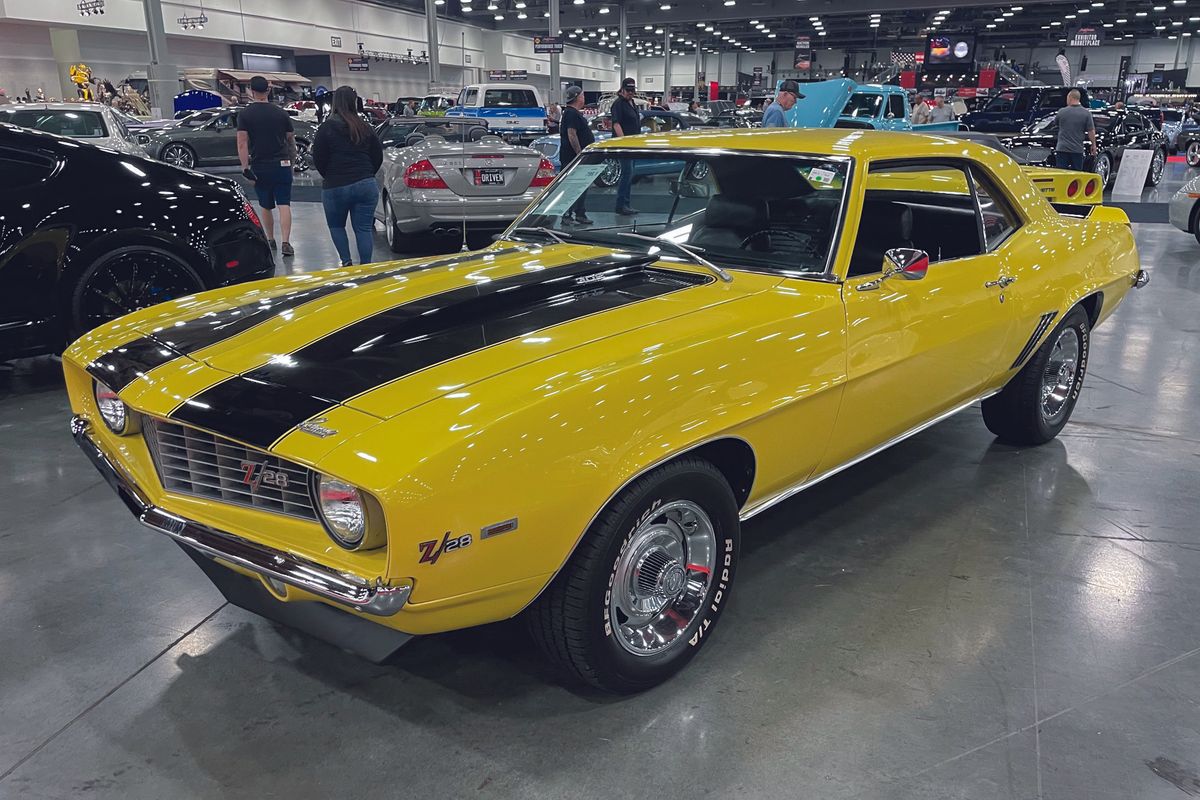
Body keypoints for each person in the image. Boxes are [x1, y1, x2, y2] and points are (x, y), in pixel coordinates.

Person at [312, 85, 383, 266]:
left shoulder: (326, 128)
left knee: (337, 226)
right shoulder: (365, 127)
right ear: (354, 102)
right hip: (365, 184)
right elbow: (377, 155)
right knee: (363, 229)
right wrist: (367, 174)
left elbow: (318, 158)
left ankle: (347, 262)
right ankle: (366, 266)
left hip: (335, 185)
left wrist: (329, 176)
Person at [237, 75, 297, 257]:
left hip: (260, 165)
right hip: (282, 163)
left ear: (251, 91)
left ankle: (270, 239)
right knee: (284, 203)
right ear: (268, 90)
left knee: (265, 204)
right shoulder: (281, 113)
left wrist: (245, 167)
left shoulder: (245, 114)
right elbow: (290, 139)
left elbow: (242, 142)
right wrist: (291, 162)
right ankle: (286, 242)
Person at [558, 85, 594, 226]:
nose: (584, 98)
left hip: (572, 155)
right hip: (572, 157)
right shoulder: (571, 114)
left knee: (580, 185)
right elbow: (571, 134)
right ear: (578, 97)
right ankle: (567, 214)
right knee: (572, 186)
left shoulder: (572, 113)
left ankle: (580, 212)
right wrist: (580, 153)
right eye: (583, 95)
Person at [611, 77, 641, 215]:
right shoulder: (618, 104)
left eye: (632, 90)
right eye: (628, 90)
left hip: (633, 145)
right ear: (622, 90)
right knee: (626, 173)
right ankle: (620, 205)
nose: (630, 93)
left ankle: (626, 204)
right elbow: (616, 124)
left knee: (629, 174)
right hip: (624, 146)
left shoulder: (632, 103)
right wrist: (624, 142)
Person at [1054, 88, 1098, 171]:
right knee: (1076, 174)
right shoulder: (1086, 113)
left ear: (1070, 98)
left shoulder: (1061, 112)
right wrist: (1093, 145)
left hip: (1062, 148)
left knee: (1060, 173)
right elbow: (1091, 131)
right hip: (1077, 150)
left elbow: (1055, 124)